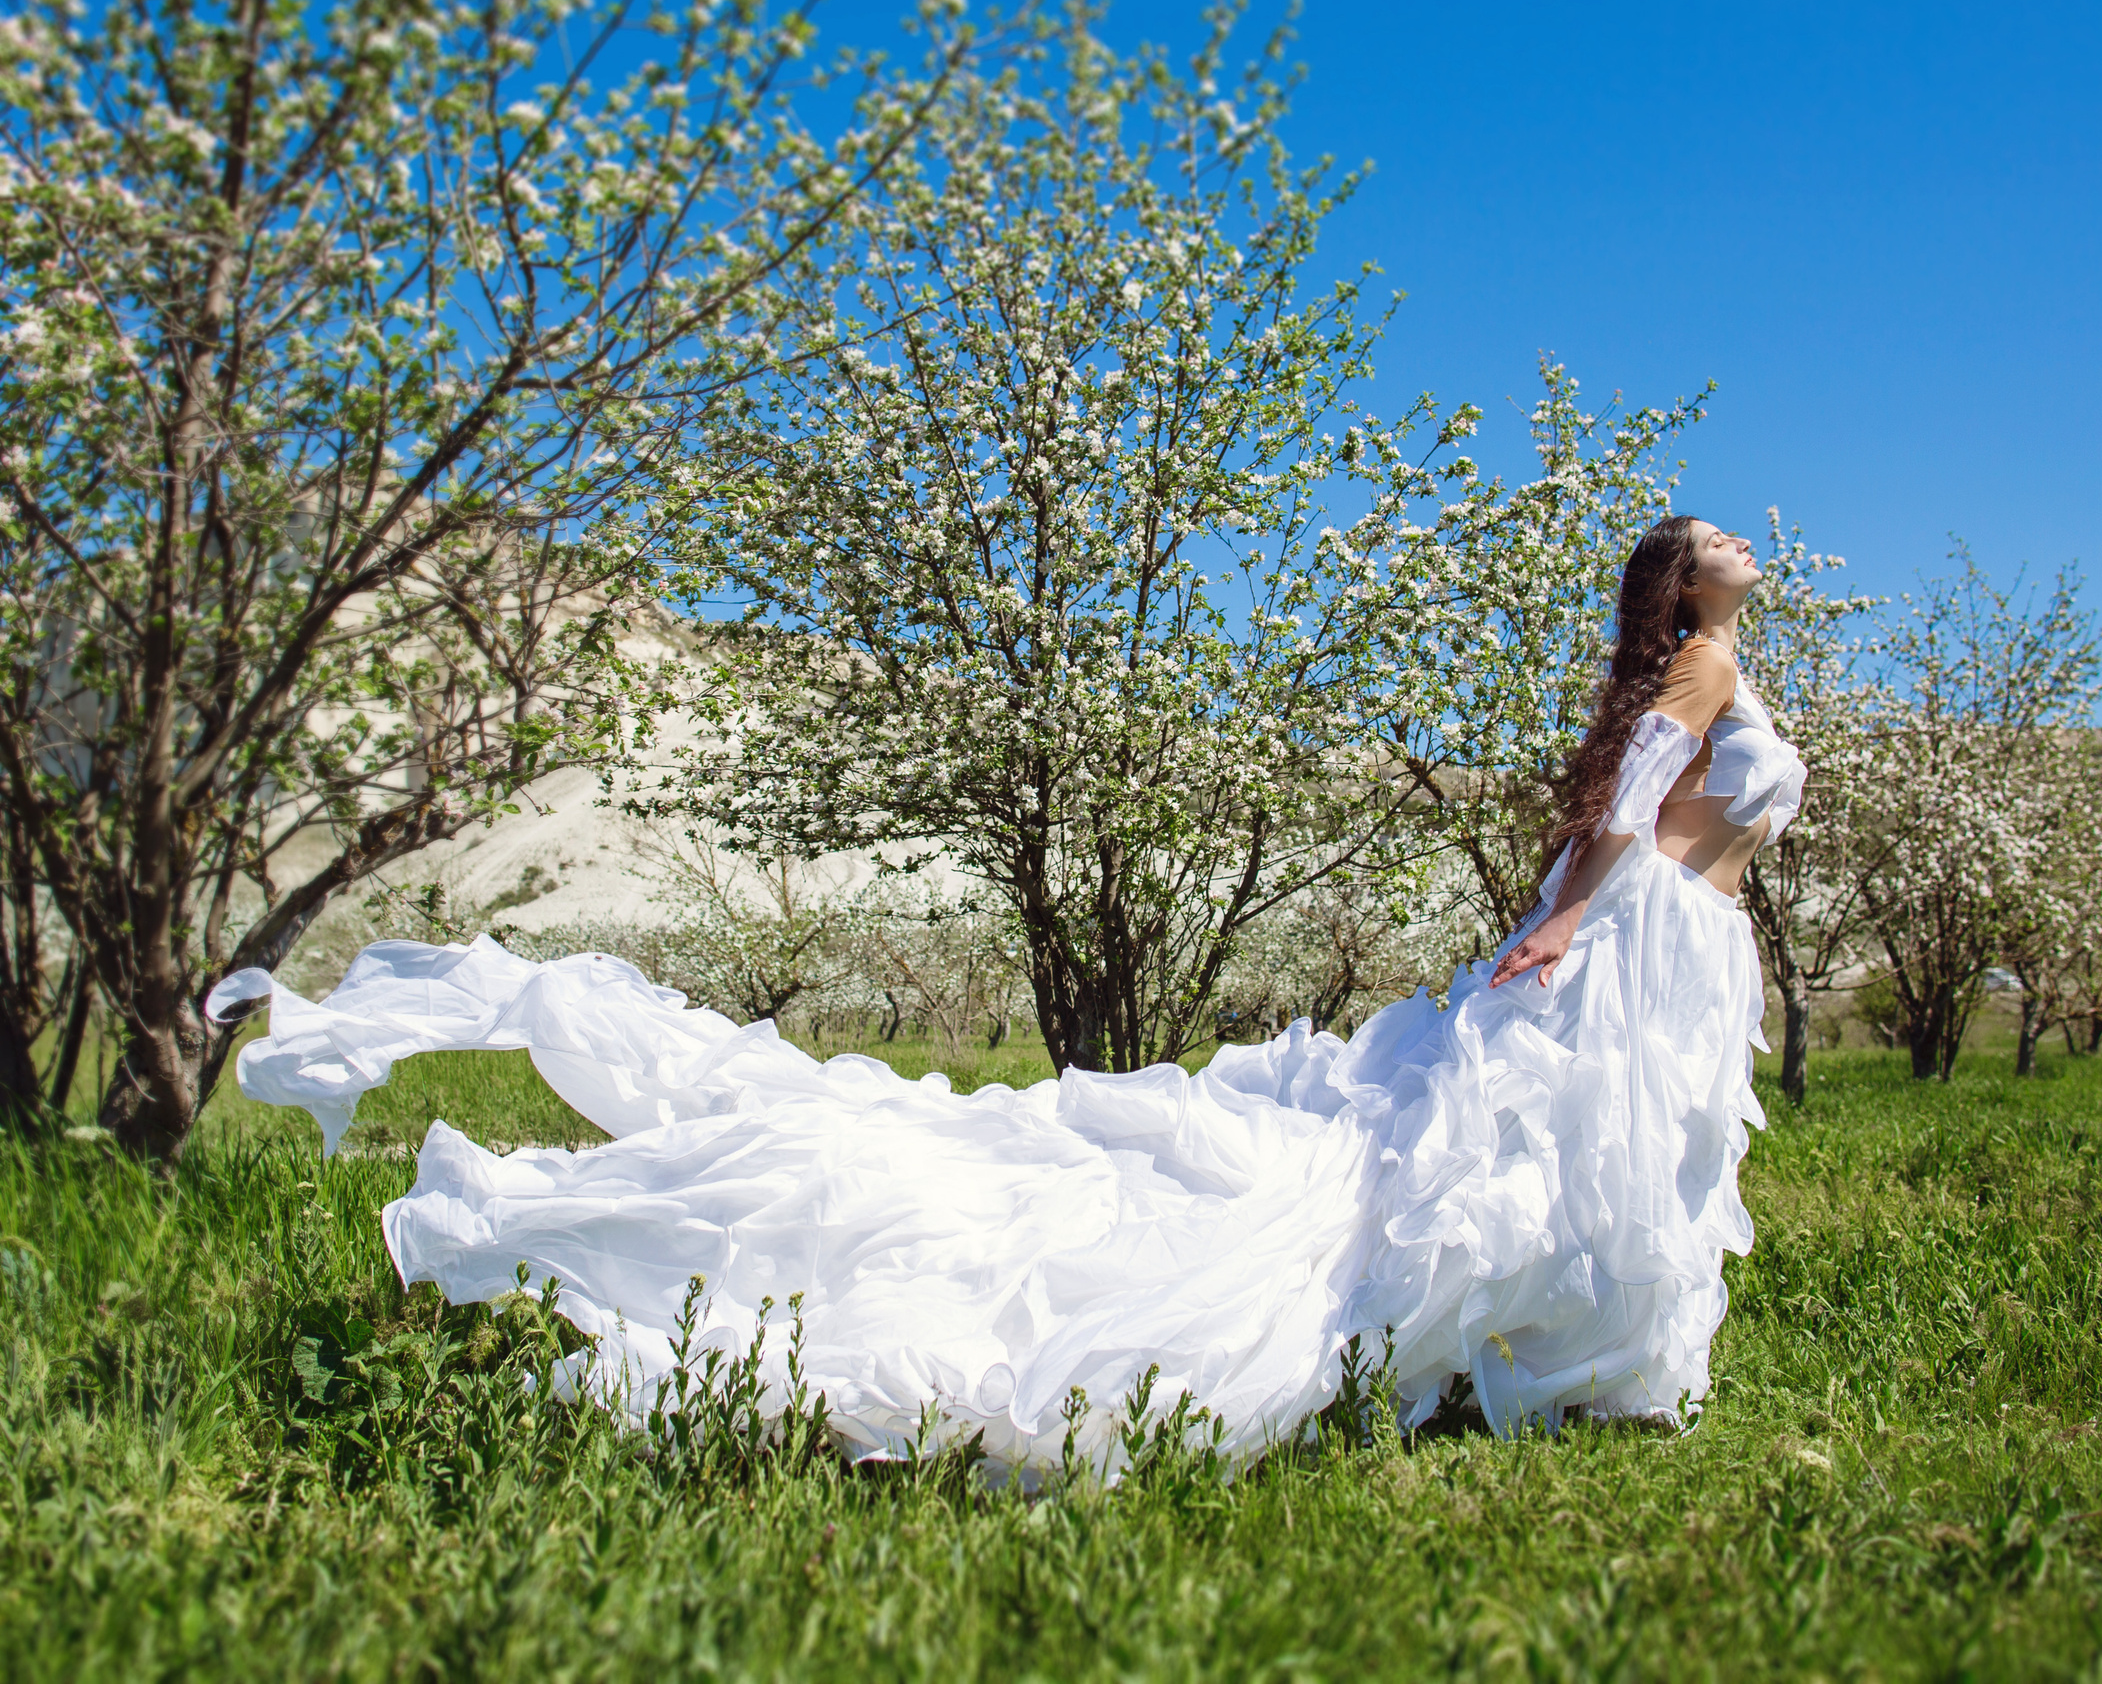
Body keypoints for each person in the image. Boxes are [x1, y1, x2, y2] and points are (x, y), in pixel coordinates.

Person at [210, 515, 1806, 1476]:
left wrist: (1576, 913)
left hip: (1649, 942)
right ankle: (1571, 1375)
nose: (1737, 544)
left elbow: (1633, 808)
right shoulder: (1709, 665)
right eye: (1711, 542)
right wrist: (1570, 922)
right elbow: (1626, 810)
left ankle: (1567, 1371)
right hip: (1629, 939)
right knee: (1548, 1161)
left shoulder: (1704, 666)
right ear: (1684, 586)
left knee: (1575, 1162)